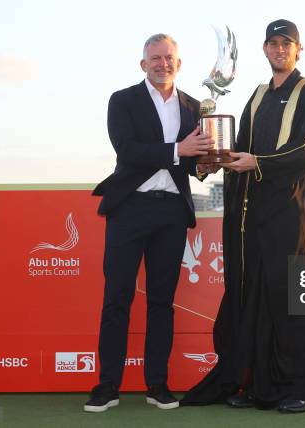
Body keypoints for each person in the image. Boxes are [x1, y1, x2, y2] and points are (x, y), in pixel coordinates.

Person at [181, 19, 305, 413]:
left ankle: (298, 388)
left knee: (290, 300)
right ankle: (256, 385)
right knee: (252, 300)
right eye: (273, 44)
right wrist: (213, 158)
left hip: (290, 218)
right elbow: (240, 149)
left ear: (299, 50)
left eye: (287, 44)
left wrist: (255, 161)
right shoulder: (259, 94)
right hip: (251, 220)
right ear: (264, 50)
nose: (280, 50)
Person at [85, 33, 215, 412]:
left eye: (169, 57)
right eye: (155, 58)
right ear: (144, 64)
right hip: (130, 209)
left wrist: (206, 162)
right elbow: (127, 150)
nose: (163, 63)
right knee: (117, 299)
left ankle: (157, 384)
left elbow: (192, 163)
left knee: (162, 303)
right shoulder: (122, 100)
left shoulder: (193, 106)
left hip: (172, 212)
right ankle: (107, 385)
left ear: (179, 63)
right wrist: (179, 150)